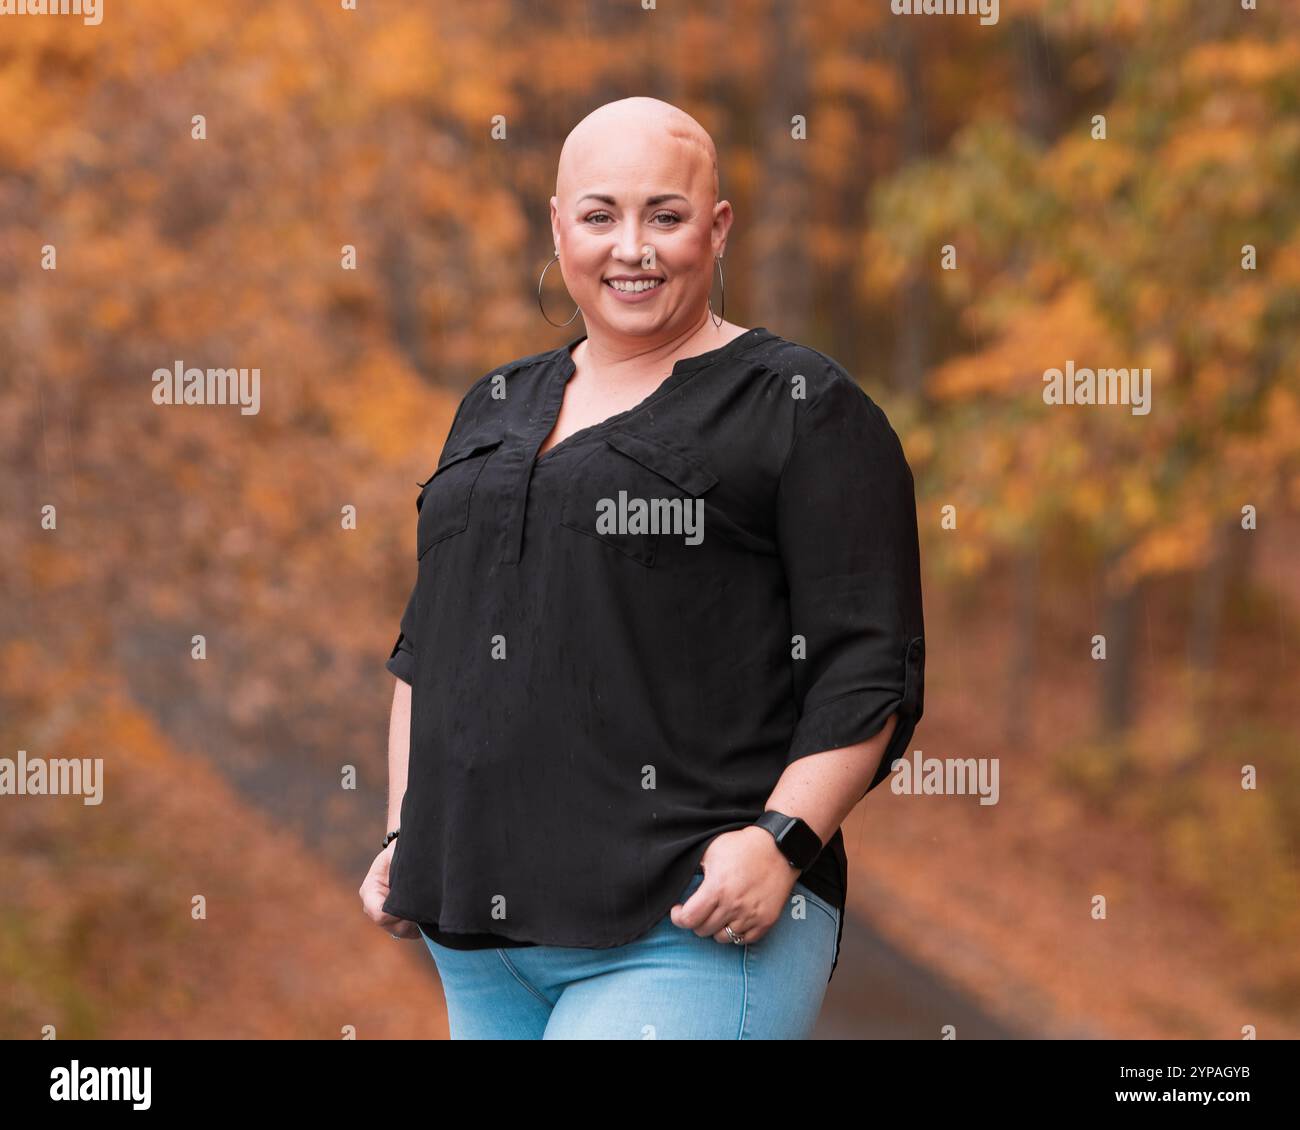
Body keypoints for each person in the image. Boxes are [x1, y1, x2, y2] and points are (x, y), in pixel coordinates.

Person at [359, 96, 925, 1039]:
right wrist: (401, 832)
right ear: (558, 226)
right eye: (600, 216)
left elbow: (867, 665)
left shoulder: (798, 406)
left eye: (664, 216)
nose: (633, 248)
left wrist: (781, 843)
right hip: (480, 941)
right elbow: (429, 651)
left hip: (685, 922)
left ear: (718, 226)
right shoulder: (493, 406)